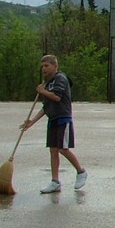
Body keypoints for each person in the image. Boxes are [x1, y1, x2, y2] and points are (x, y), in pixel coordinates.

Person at [20, 54, 88, 193]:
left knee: (63, 149)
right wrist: (31, 122)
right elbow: (46, 107)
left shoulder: (60, 78)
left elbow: (57, 97)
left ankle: (81, 172)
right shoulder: (47, 82)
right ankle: (55, 181)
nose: (43, 69)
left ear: (55, 66)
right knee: (53, 150)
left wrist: (43, 91)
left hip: (63, 118)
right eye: (42, 67)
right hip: (52, 119)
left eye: (46, 66)